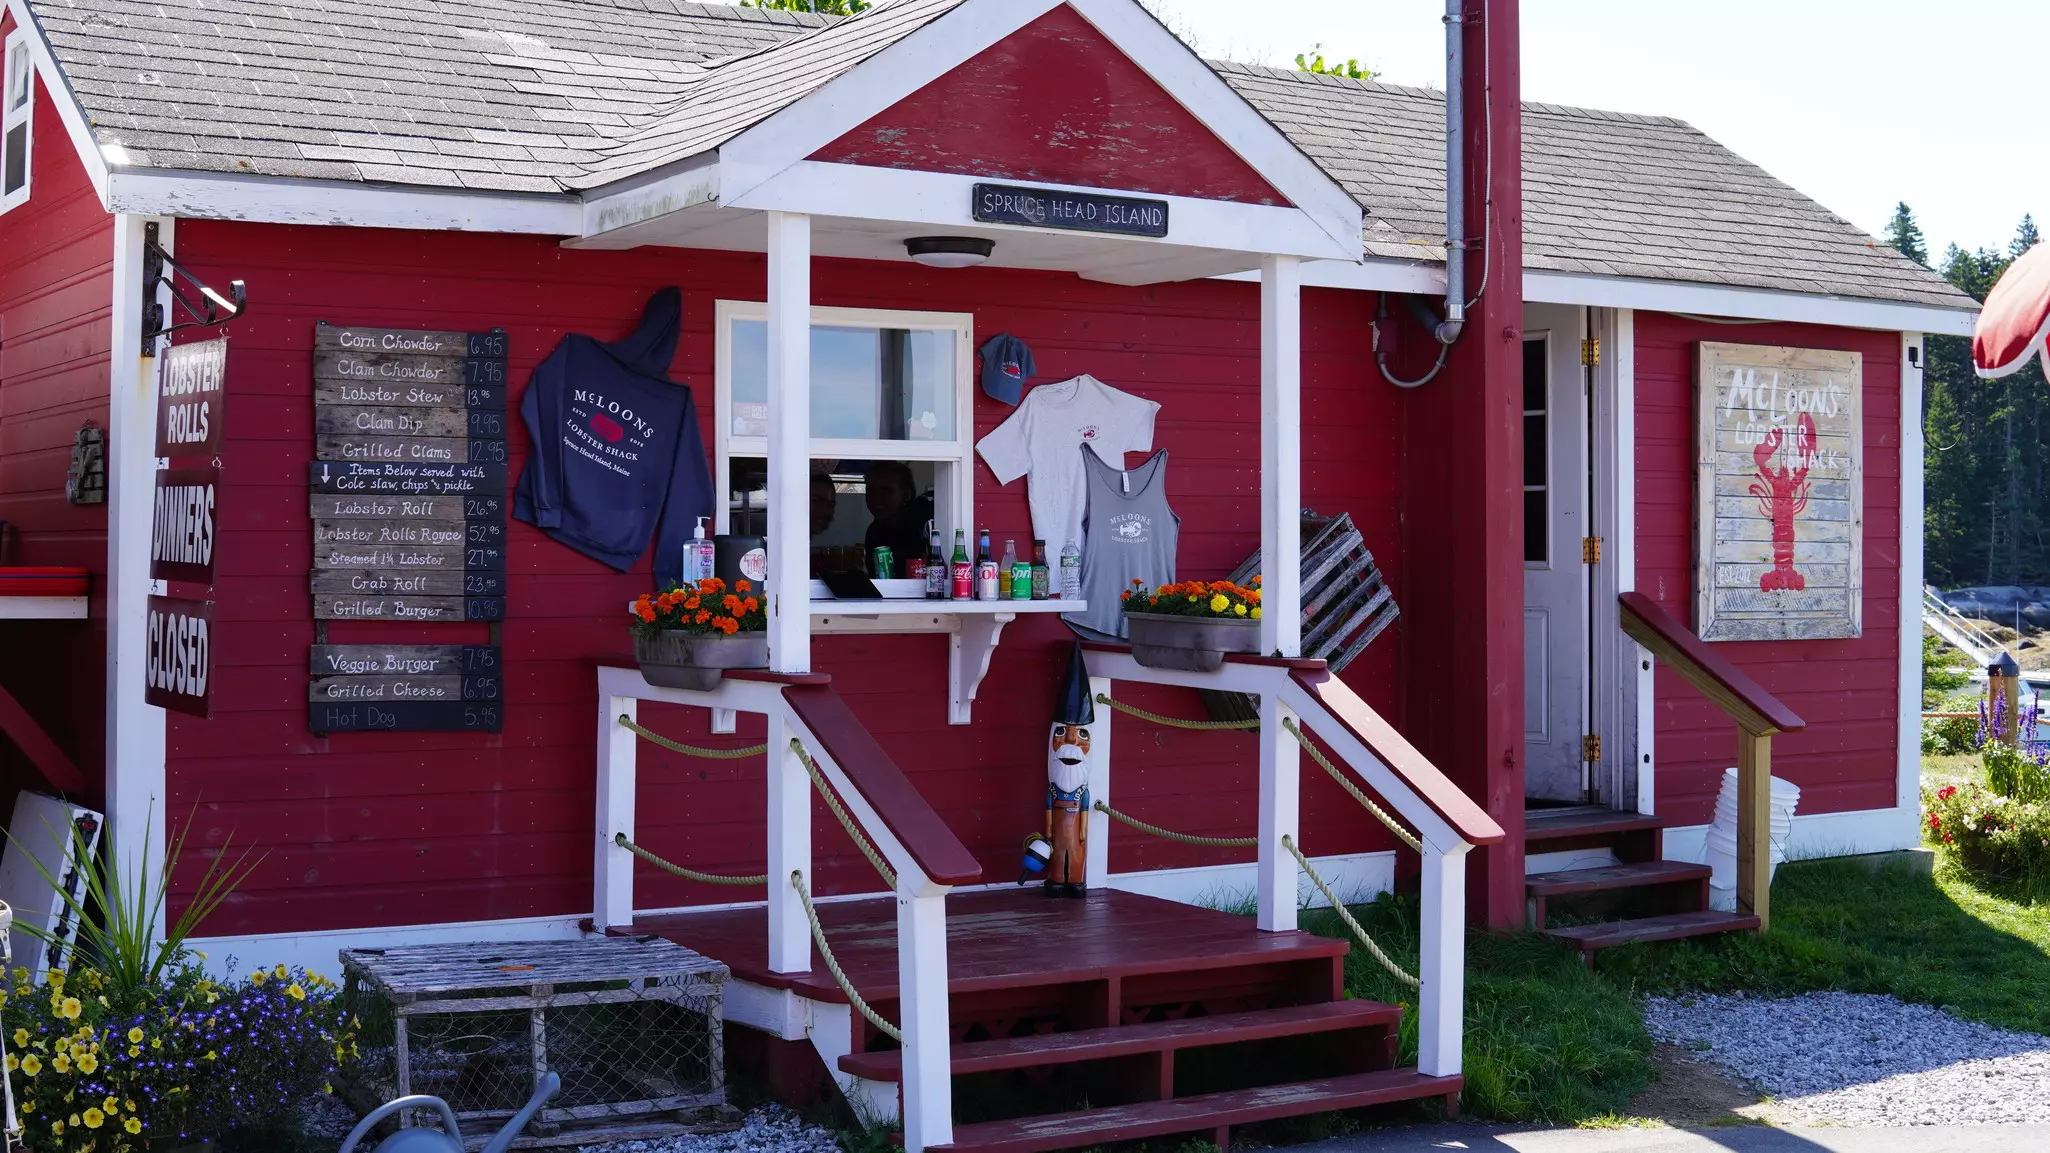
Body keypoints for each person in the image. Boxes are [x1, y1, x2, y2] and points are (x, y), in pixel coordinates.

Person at [862, 460, 933, 564]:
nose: (875, 498)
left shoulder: (924, 524)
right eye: (870, 489)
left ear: (907, 494)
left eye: (885, 490)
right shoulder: (874, 532)